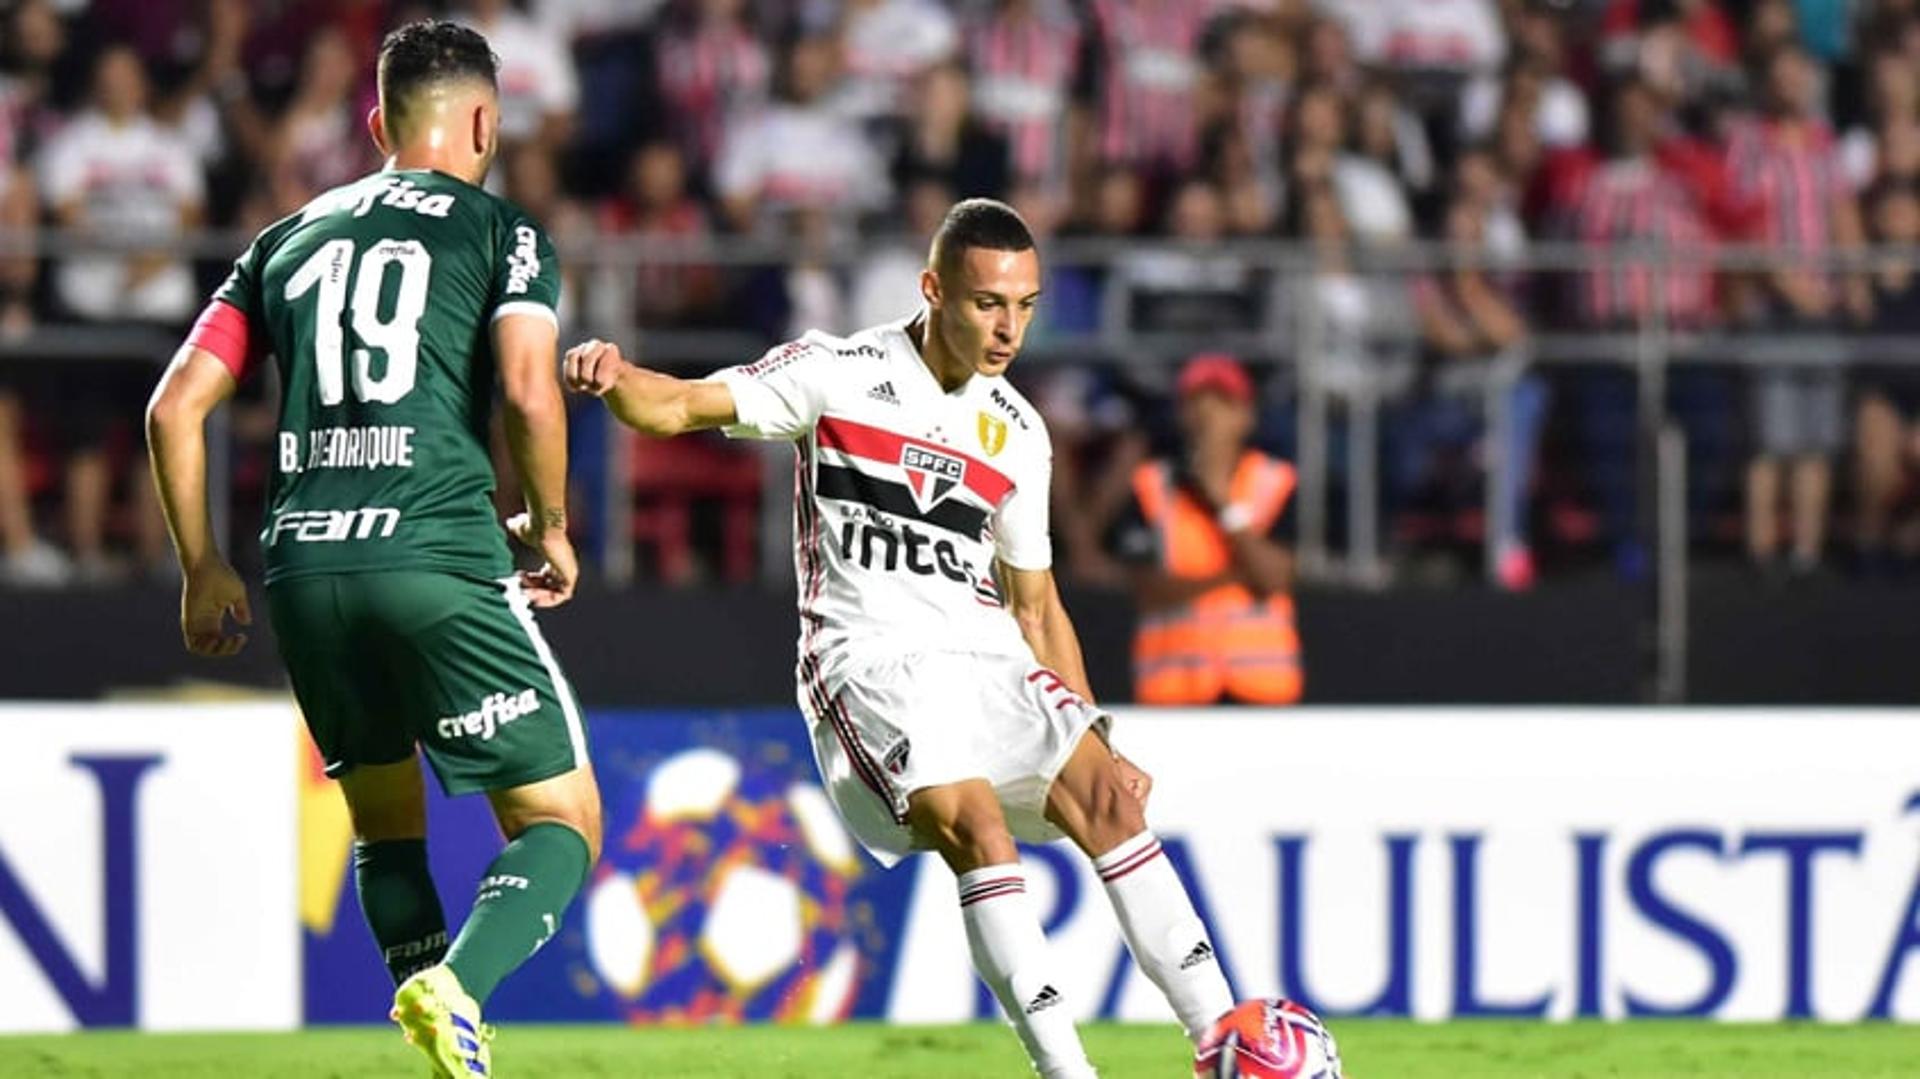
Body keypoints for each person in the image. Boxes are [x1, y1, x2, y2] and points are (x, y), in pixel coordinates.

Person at [564, 199, 1233, 1078]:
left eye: (1026, 305)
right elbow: (682, 406)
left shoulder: (1019, 432)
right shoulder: (837, 372)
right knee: (978, 824)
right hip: (869, 661)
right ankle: (1068, 1072)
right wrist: (614, 376)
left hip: (983, 655)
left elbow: (1036, 607)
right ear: (932, 288)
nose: (1009, 329)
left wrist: (1093, 728)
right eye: (989, 302)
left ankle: (1228, 1041)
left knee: (1111, 796)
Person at [143, 22, 599, 1079]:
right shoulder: (503, 231)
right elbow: (530, 388)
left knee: (385, 825)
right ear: (485, 120)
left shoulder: (284, 239)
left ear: (375, 122)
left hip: (303, 567)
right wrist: (552, 519)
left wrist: (202, 565)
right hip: (434, 549)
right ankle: (456, 990)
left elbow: (175, 408)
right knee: (560, 819)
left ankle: (449, 1040)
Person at [1111, 354, 1301, 706]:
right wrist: (1232, 579)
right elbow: (1148, 589)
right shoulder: (1150, 486)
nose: (1210, 416)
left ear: (1246, 416)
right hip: (1175, 693)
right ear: (1182, 414)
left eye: (1224, 403)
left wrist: (1221, 499)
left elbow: (1274, 577)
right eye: (1198, 402)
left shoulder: (1276, 481)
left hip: (1259, 695)